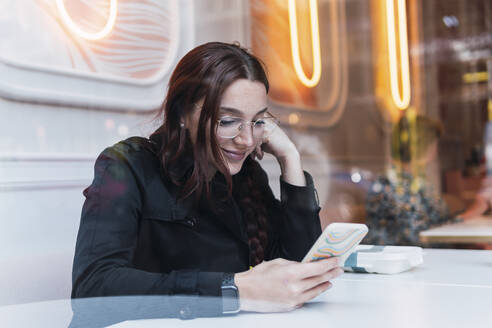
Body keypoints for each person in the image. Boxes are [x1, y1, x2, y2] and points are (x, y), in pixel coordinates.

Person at [71, 42, 342, 320]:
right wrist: (235, 290)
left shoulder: (247, 176)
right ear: (182, 114)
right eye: (227, 121)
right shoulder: (128, 165)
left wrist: (290, 159)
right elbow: (93, 289)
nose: (247, 140)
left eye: (258, 121)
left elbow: (295, 274)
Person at [364, 112, 458, 246]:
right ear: (423, 145)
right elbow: (419, 236)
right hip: (396, 261)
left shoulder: (417, 182)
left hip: (421, 257)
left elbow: (439, 223)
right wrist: (473, 212)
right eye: (434, 143)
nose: (436, 149)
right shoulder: (392, 184)